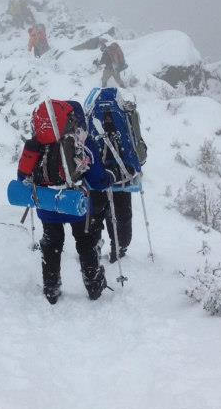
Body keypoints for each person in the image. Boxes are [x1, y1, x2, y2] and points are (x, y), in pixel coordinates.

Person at [16, 101, 106, 304]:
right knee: (85, 242)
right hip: (76, 204)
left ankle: (51, 289)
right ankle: (93, 286)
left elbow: (22, 176)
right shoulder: (81, 142)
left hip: (48, 205)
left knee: (51, 243)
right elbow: (98, 180)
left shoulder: (36, 143)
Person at [90, 190, 133, 263]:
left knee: (96, 212)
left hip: (97, 184)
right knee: (119, 212)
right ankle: (119, 248)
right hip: (119, 184)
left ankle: (92, 248)